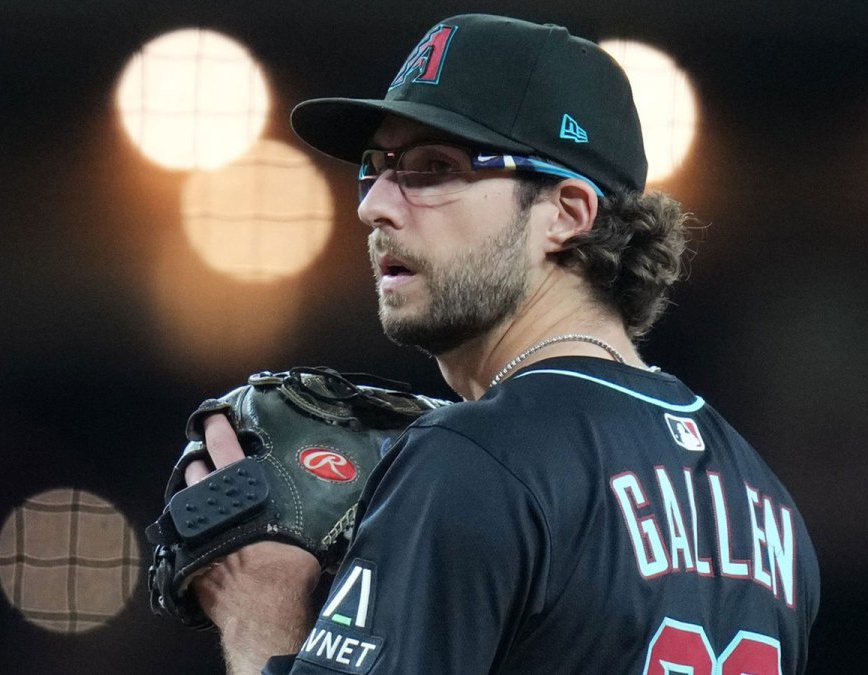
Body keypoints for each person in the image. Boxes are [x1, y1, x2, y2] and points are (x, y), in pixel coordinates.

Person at [185, 13, 820, 675]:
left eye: (433, 168)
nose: (374, 205)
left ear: (568, 214)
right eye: (377, 167)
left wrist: (263, 607)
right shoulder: (767, 504)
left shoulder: (475, 458)